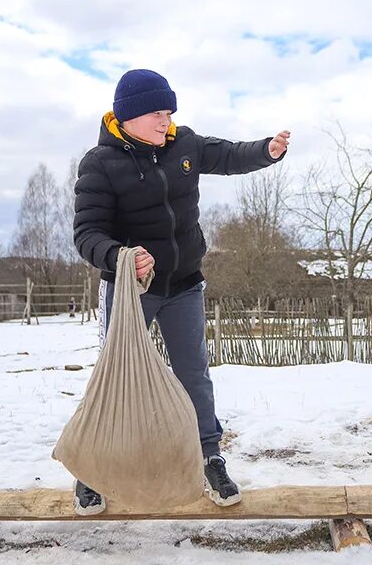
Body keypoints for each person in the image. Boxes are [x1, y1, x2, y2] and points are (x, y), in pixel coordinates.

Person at [73, 68, 290, 515]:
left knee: (195, 375)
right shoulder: (99, 163)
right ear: (128, 116)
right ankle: (91, 469)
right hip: (131, 292)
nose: (166, 120)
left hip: (185, 283)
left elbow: (228, 155)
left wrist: (267, 151)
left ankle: (209, 456)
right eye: (157, 112)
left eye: (169, 112)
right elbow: (87, 233)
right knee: (115, 376)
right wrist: (121, 255)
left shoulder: (183, 144)